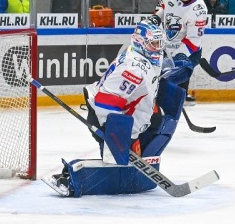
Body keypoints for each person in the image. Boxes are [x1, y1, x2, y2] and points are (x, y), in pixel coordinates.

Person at [45, 20, 187, 197]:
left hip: (127, 114)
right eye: (154, 44)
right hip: (105, 115)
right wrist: (116, 135)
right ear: (140, 42)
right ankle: (70, 178)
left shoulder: (139, 55)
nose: (158, 48)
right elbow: (106, 102)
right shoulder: (133, 69)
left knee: (155, 125)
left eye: (160, 43)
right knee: (118, 162)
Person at [152, 0, 208, 106]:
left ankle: (179, 95)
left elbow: (193, 41)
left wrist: (177, 56)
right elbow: (162, 8)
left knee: (179, 71)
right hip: (167, 43)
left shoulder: (199, 9)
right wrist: (155, 19)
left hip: (189, 50)